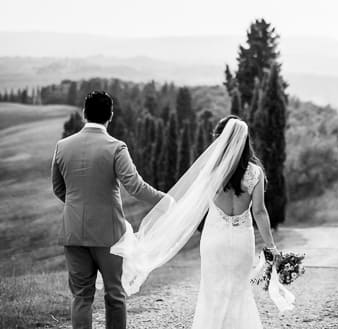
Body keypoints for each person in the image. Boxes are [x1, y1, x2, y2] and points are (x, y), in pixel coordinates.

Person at [111, 115, 287, 328]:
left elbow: (193, 205)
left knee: (212, 292)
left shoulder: (212, 171)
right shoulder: (255, 172)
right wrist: (272, 247)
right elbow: (260, 211)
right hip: (242, 241)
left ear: (220, 140)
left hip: (214, 240)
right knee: (239, 291)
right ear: (245, 141)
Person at [51, 90, 166, 329]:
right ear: (110, 116)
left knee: (81, 297)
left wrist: (77, 205)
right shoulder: (116, 147)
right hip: (109, 235)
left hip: (73, 232)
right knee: (115, 295)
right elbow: (135, 186)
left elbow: (58, 188)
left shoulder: (62, 146)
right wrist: (165, 200)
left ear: (84, 114)